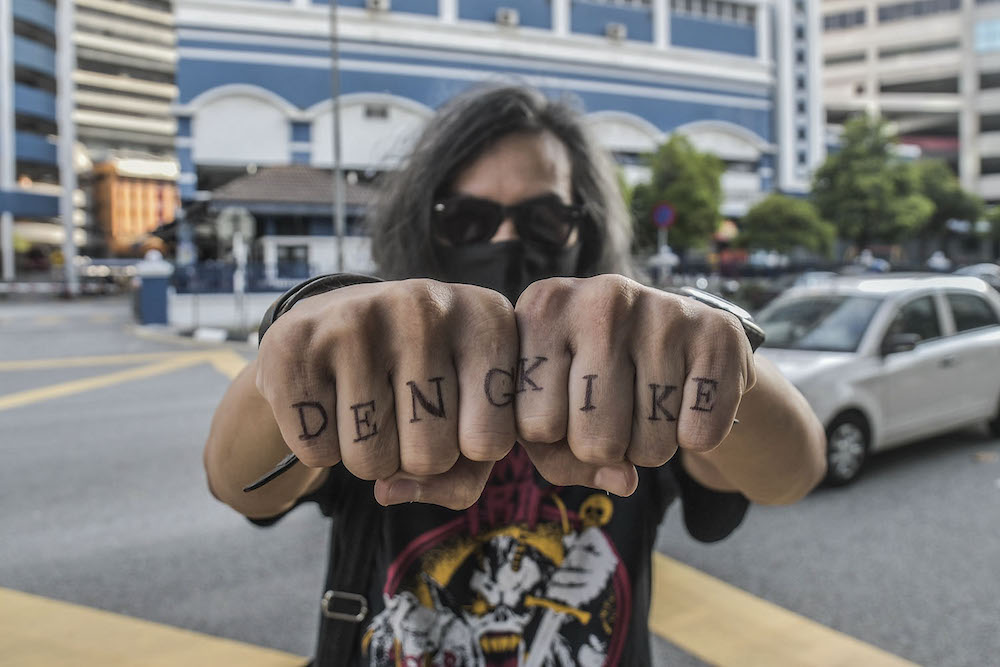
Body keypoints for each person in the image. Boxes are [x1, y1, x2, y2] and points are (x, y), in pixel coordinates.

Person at [204, 85, 826, 666]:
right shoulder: (374, 365)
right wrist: (301, 333)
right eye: (468, 219)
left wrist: (713, 340)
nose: (505, 240)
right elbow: (242, 484)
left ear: (582, 229)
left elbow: (792, 473)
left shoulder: (636, 375)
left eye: (543, 219)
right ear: (426, 224)